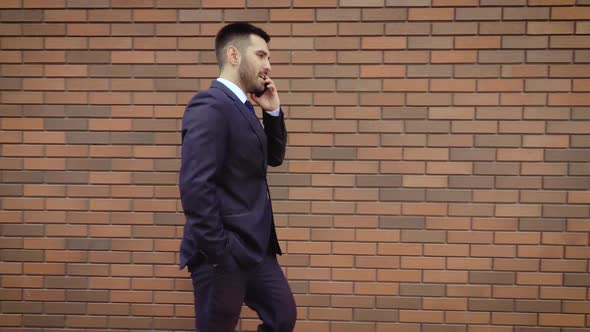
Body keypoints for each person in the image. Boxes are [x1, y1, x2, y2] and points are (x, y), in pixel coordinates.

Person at [178, 22, 296, 332]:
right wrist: (219, 249)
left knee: (282, 316)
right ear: (234, 55)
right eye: (261, 55)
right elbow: (195, 185)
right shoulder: (210, 105)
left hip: (254, 248)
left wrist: (272, 113)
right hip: (223, 249)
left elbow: (273, 158)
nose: (268, 65)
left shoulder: (243, 107)